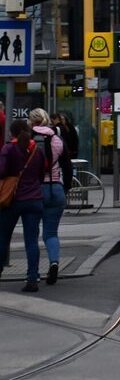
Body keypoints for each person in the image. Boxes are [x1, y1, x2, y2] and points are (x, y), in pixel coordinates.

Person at [0, 120, 47, 291]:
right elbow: (42, 174)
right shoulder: (37, 150)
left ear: (12, 133)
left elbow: (2, 171)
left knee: (3, 238)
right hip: (34, 200)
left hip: (12, 200)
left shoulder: (9, 149)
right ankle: (32, 278)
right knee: (31, 241)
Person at [28, 109, 65, 285]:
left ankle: (33, 273)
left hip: (35, 190)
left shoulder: (29, 141)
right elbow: (68, 167)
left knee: (32, 233)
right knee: (51, 233)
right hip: (56, 189)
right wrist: (64, 189)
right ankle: (54, 262)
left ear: (31, 122)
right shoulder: (57, 140)